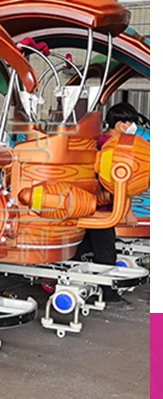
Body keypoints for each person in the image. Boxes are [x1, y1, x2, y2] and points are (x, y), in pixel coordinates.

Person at [73, 101, 144, 308]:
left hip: (86, 204)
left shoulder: (98, 142)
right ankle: (107, 292)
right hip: (102, 209)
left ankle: (73, 278)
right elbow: (121, 182)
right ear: (121, 124)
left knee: (83, 245)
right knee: (105, 250)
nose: (133, 128)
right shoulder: (113, 147)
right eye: (131, 123)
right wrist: (127, 211)